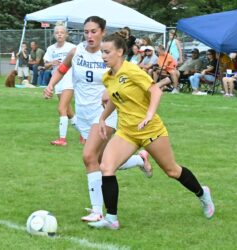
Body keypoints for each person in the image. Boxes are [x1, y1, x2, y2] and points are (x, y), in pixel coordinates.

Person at [88, 33, 215, 230]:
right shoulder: (108, 76)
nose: (103, 56)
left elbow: (155, 90)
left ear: (120, 52)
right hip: (127, 131)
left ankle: (202, 193)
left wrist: (149, 115)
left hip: (150, 129)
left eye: (107, 52)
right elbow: (116, 98)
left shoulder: (131, 70)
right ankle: (111, 219)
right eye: (102, 52)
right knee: (106, 167)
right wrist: (103, 118)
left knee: (172, 170)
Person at [44, 16, 153, 222]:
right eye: (86, 32)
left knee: (88, 157)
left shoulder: (109, 56)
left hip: (105, 114)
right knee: (103, 160)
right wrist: (51, 84)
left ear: (103, 32)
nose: (89, 36)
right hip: (84, 113)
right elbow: (62, 69)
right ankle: (140, 159)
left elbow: (125, 78)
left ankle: (97, 210)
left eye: (94, 31)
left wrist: (111, 92)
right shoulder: (77, 51)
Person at [43, 23, 78, 146]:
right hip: (58, 81)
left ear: (66, 35)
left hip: (69, 81)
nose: (59, 34)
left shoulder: (72, 48)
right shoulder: (51, 49)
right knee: (69, 112)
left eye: (62, 32)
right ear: (54, 35)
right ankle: (85, 135)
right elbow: (45, 65)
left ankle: (62, 140)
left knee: (61, 108)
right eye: (57, 32)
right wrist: (51, 62)